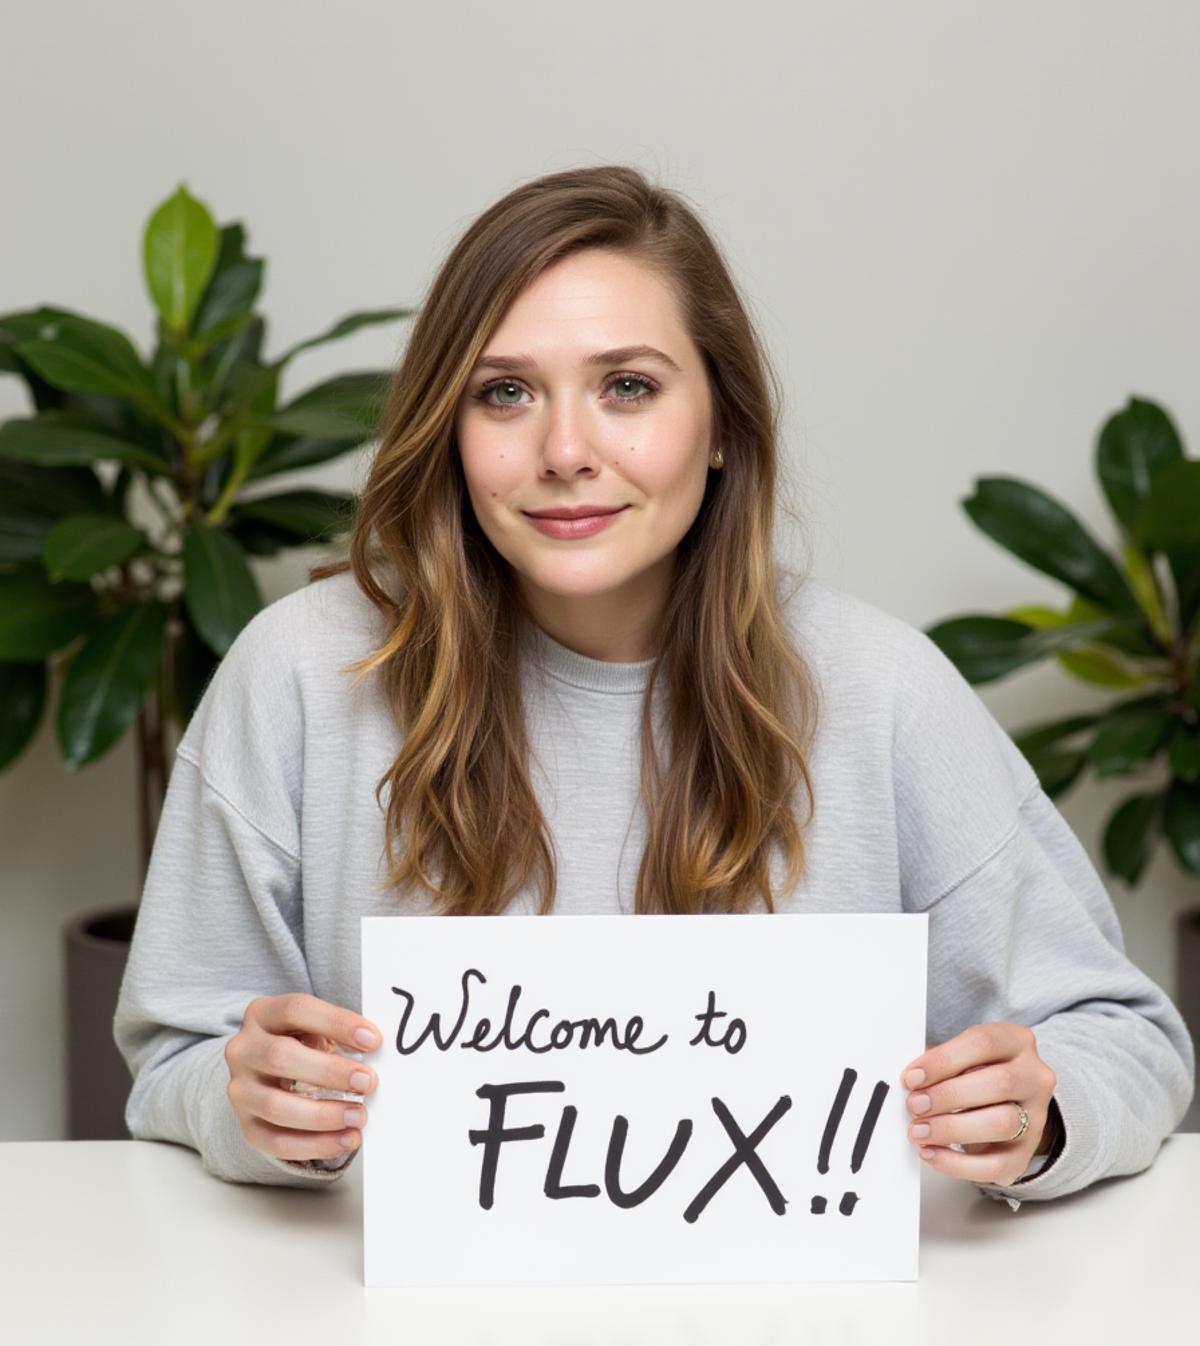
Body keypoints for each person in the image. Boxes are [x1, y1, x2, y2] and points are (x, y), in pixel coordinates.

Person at [113, 164, 1194, 1213]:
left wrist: (1039, 1117)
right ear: (449, 427)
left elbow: (1126, 1041)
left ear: (721, 421)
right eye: (505, 393)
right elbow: (178, 1053)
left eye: (627, 385)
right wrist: (244, 1102)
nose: (566, 449)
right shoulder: (301, 674)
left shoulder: (886, 690)